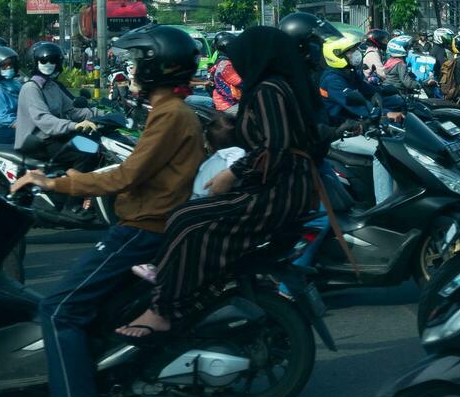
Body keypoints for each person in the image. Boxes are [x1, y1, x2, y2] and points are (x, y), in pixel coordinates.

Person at [18, 25, 205, 397]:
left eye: (138, 64)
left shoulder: (170, 115)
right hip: (146, 223)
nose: (132, 72)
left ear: (159, 68)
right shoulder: (169, 111)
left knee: (57, 310)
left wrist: (59, 185)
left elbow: (126, 175)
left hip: (141, 230)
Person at [116, 25, 323, 341]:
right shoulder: (278, 87)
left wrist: (232, 174)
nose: (236, 63)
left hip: (277, 192)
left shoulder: (269, 90)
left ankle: (163, 308)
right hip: (285, 186)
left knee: (187, 218)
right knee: (192, 217)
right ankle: (187, 288)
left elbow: (273, 147)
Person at [14, 42, 99, 165]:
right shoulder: (31, 88)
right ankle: (71, 184)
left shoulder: (52, 85)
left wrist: (101, 114)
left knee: (94, 146)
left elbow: (72, 110)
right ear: (34, 63)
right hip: (36, 142)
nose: (49, 64)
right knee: (84, 154)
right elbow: (43, 119)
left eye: (53, 61)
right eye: (44, 61)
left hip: (53, 137)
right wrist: (73, 126)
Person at [207, 31, 242, 112]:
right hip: (228, 104)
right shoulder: (227, 66)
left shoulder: (223, 62)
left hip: (226, 101)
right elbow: (241, 82)